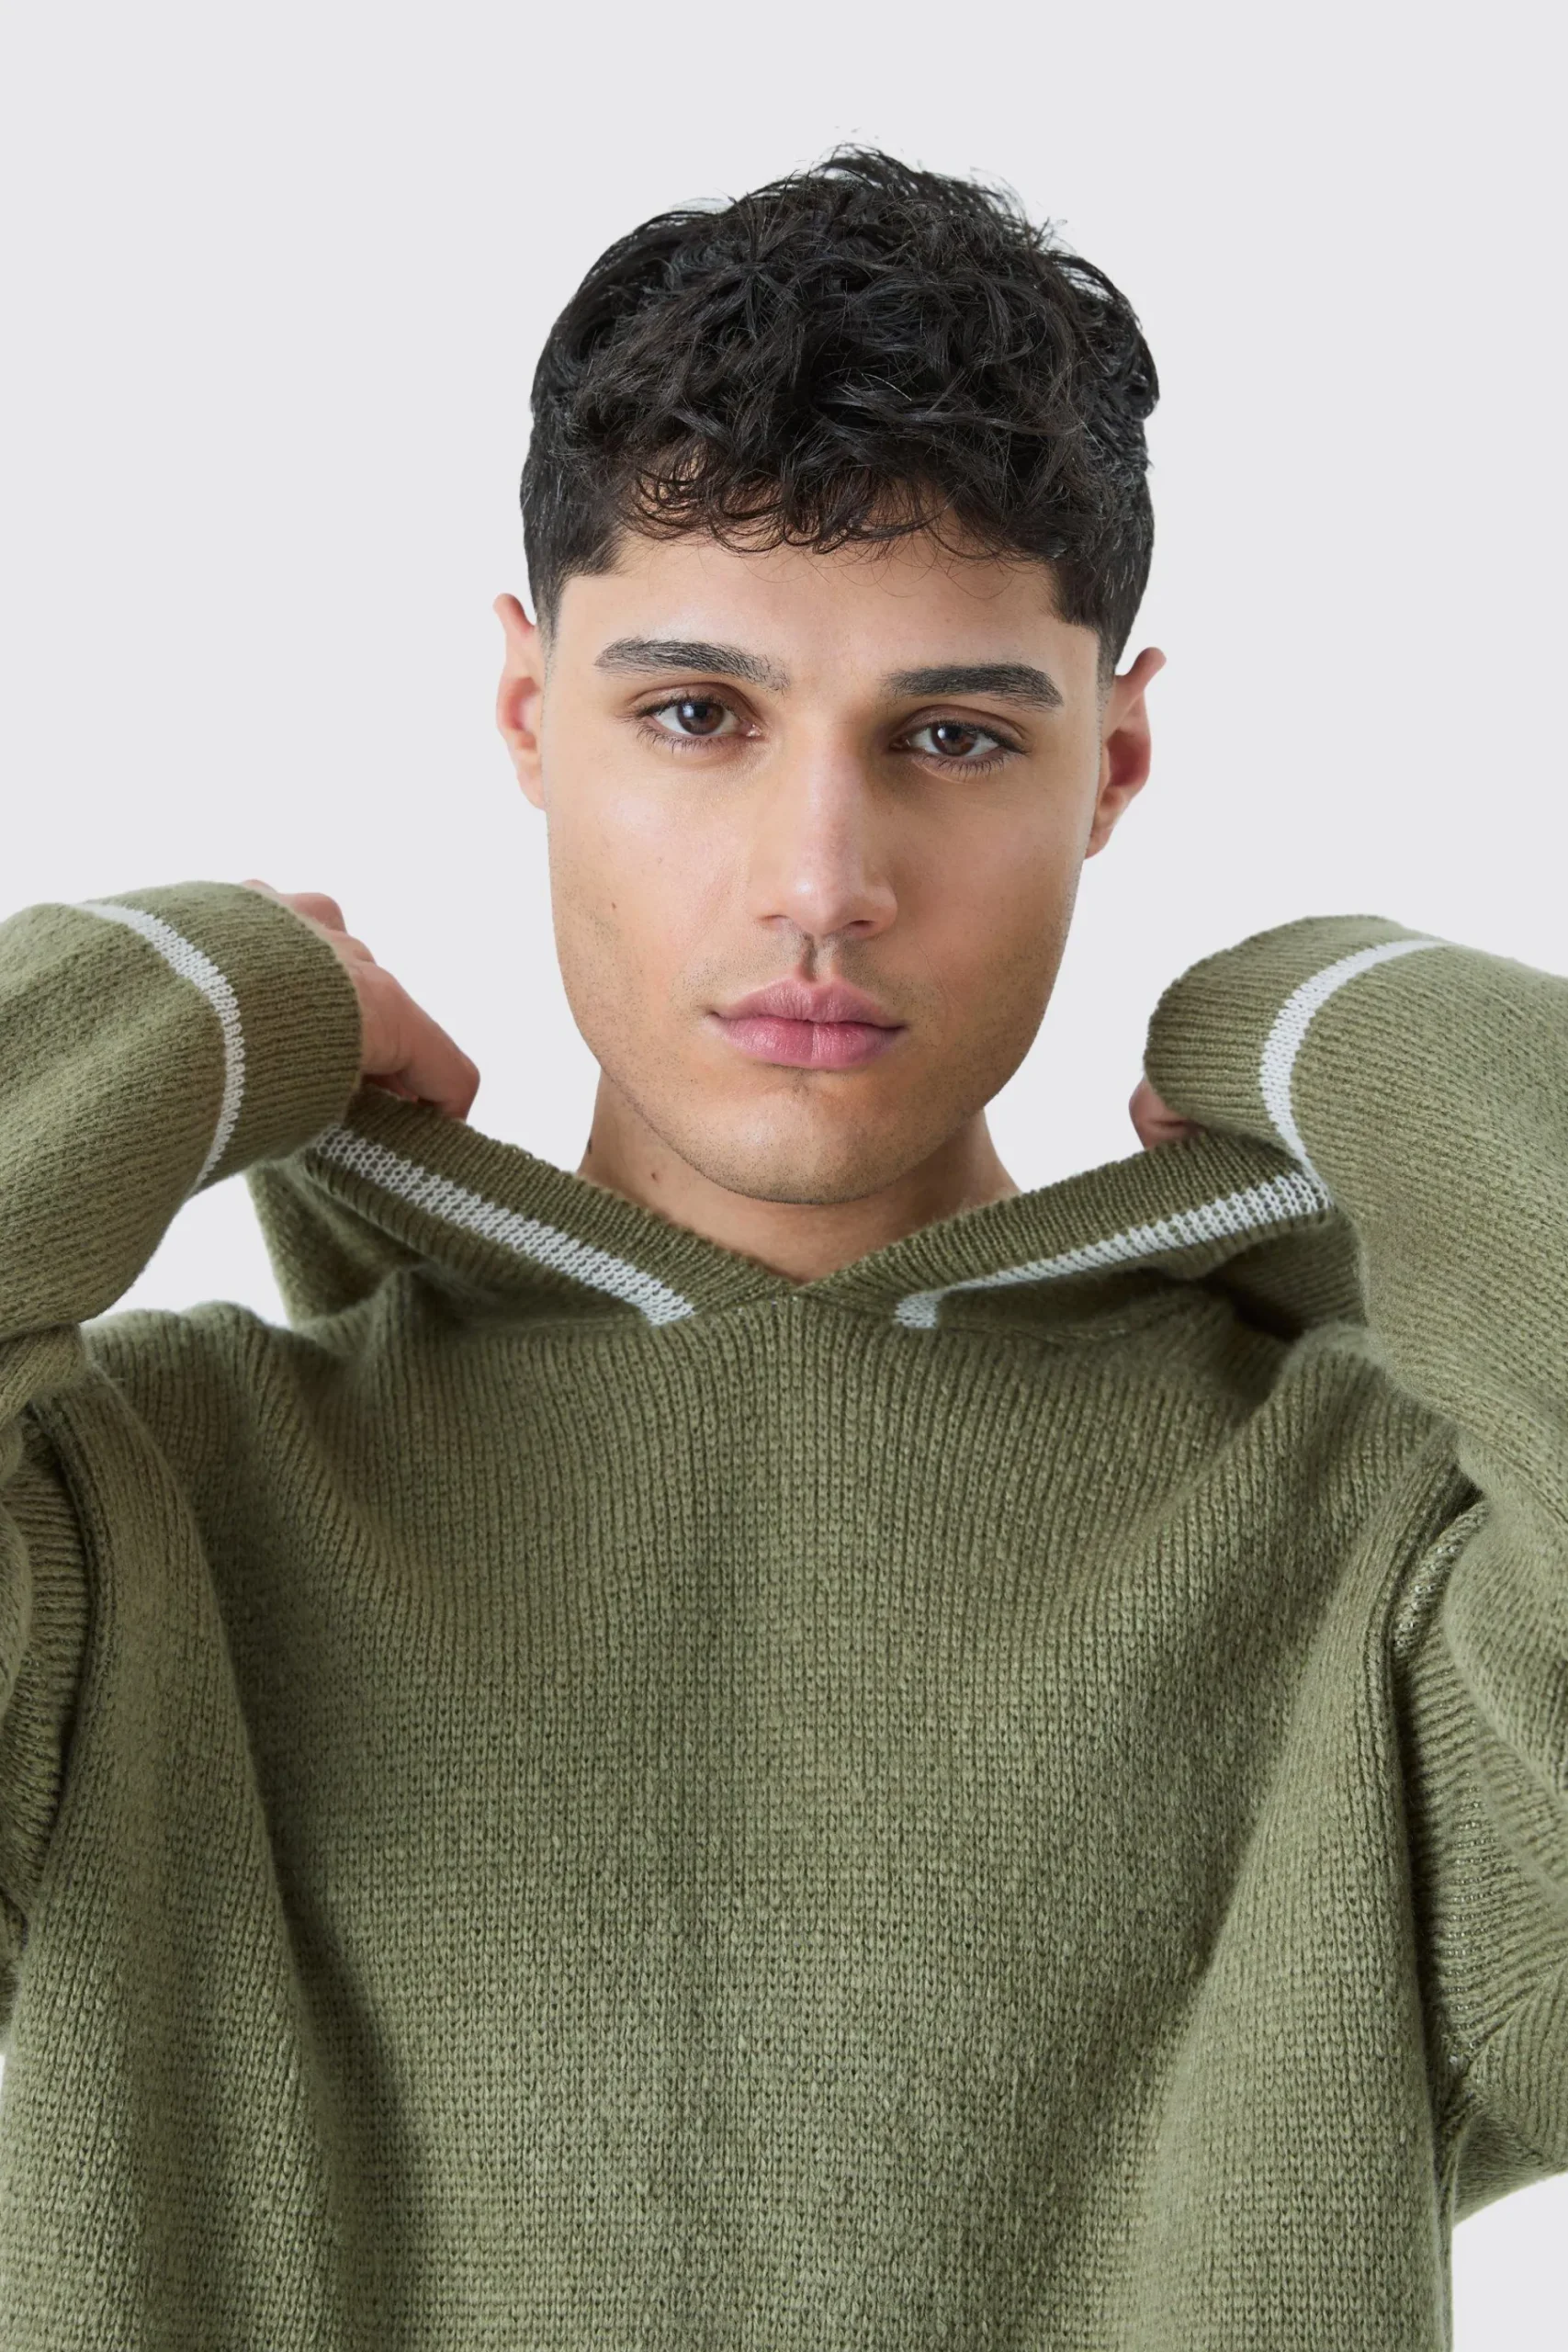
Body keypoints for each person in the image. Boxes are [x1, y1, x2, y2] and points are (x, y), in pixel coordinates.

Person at [0, 147, 1562, 2350]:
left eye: (951, 734)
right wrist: (188, 991)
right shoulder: (141, 1507)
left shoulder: (1372, 1555)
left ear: (1113, 760)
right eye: (695, 714)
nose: (820, 875)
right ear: (528, 715)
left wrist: (1350, 1022)